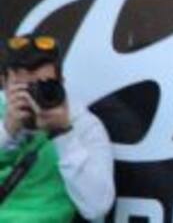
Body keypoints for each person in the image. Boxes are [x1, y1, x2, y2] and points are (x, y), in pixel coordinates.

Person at [0, 33, 115, 222]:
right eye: (23, 87)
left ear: (61, 82)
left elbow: (97, 208)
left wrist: (63, 134)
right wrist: (7, 130)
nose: (33, 95)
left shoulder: (83, 126)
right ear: (4, 83)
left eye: (44, 86)